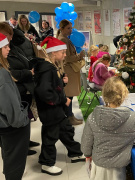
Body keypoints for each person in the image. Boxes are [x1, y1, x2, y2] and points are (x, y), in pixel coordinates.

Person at [81, 77, 135, 180]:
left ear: (104, 95)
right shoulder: (131, 118)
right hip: (118, 168)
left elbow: (86, 141)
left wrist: (87, 154)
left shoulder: (93, 117)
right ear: (123, 96)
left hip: (99, 164)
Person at [34, 36, 85, 175]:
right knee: (50, 136)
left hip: (56, 110)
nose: (64, 55)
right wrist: (63, 100)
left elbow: (53, 87)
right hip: (50, 111)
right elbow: (45, 92)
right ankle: (46, 163)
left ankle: (75, 153)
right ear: (53, 52)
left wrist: (62, 83)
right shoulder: (47, 69)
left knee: (66, 130)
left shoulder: (52, 67)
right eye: (62, 52)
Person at [0, 22, 40, 155]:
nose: (10, 38)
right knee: (16, 122)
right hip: (18, 89)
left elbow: (20, 38)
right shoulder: (4, 54)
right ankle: (20, 146)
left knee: (25, 117)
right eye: (6, 35)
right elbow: (12, 73)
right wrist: (28, 72)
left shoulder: (13, 47)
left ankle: (25, 142)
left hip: (24, 88)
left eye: (11, 34)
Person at [0, 32, 30, 180]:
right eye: (5, 47)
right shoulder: (2, 74)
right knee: (15, 162)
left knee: (8, 155)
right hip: (12, 127)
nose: (8, 49)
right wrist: (22, 121)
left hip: (4, 125)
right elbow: (10, 106)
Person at [57, 19, 85, 125]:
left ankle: (69, 115)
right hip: (69, 70)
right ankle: (69, 117)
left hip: (69, 70)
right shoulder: (63, 40)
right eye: (68, 28)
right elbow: (67, 58)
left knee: (69, 95)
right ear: (62, 28)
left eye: (71, 28)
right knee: (69, 95)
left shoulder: (64, 39)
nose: (70, 30)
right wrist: (79, 56)